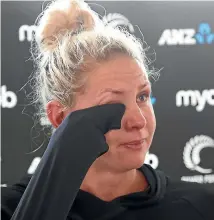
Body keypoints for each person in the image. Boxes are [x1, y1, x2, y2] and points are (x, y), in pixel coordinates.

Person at [1, 0, 214, 219]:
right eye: (113, 104)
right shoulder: (10, 209)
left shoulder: (200, 207)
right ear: (60, 116)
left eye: (142, 97)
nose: (139, 121)